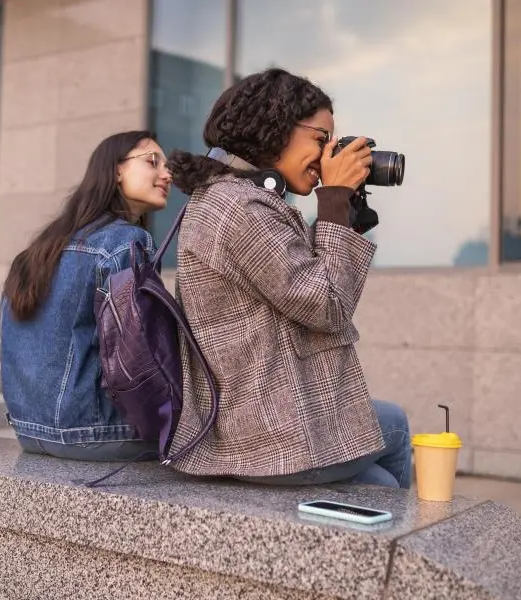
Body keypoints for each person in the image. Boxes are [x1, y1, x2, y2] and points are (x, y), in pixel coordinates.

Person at [166, 69, 411, 488]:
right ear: (276, 128)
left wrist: (344, 208)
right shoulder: (239, 208)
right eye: (321, 139)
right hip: (264, 432)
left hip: (257, 415)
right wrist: (333, 198)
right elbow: (327, 304)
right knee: (388, 458)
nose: (327, 155)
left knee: (386, 450)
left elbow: (306, 285)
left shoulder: (236, 197)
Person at [0, 130, 172, 461]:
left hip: (28, 431)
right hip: (97, 433)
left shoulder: (40, 250)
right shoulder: (127, 243)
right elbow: (139, 353)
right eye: (153, 161)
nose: (167, 174)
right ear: (116, 170)